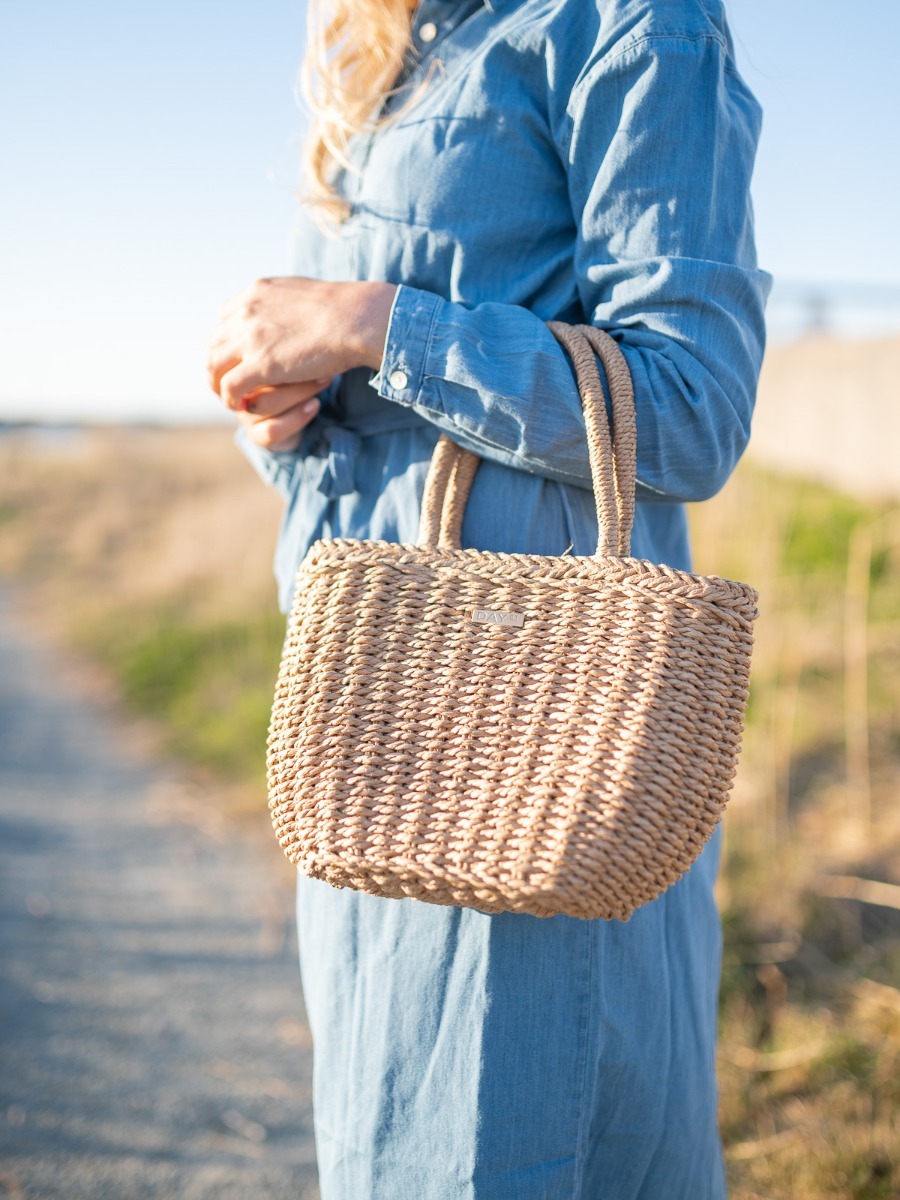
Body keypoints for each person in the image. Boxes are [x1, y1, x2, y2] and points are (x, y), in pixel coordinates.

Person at [207, 1, 769, 1195]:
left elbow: (690, 407)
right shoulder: (393, 39)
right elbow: (384, 421)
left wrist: (373, 323)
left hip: (537, 730)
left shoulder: (632, 22)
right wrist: (285, 409)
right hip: (368, 726)